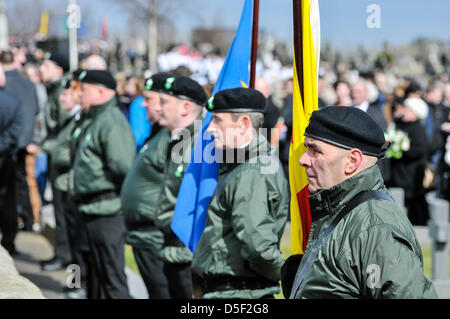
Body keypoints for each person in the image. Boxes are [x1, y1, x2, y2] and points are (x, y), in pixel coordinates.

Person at [285, 106, 437, 299]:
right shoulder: (336, 207)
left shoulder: (376, 228)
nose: (303, 160)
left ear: (352, 160)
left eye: (315, 150)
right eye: (306, 148)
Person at [191, 88, 289, 299]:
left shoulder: (252, 171)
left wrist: (278, 274)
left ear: (244, 123)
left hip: (239, 292)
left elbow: (258, 245)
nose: (210, 129)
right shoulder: (242, 165)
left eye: (217, 120)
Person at [71, 69, 136, 299]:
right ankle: (80, 288)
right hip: (92, 208)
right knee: (97, 275)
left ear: (101, 92)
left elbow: (124, 168)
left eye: (84, 90)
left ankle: (78, 286)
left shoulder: (111, 122)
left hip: (107, 211)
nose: (79, 95)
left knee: (112, 278)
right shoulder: (96, 118)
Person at [121, 73, 173, 299]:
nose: (143, 104)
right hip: (143, 235)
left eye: (149, 99)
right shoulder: (158, 133)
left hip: (155, 236)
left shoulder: (175, 138)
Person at [155, 75, 207, 299]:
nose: (158, 108)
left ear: (186, 107)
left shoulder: (201, 144)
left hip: (187, 251)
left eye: (164, 102)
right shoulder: (179, 139)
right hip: (172, 248)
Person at [39, 52, 74, 271]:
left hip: (62, 160)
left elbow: (63, 132)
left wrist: (45, 146)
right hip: (56, 156)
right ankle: (61, 254)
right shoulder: (53, 89)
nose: (42, 69)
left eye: (47, 65)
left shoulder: (62, 92)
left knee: (63, 211)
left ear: (59, 70)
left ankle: (65, 257)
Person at [0, 50, 40, 232]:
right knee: (24, 182)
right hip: (24, 141)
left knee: (10, 189)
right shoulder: (28, 84)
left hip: (8, 145)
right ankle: (30, 219)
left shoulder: (6, 87)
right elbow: (36, 109)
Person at [388, 98, 430, 226]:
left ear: (415, 113)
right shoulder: (399, 123)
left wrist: (401, 149)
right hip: (397, 171)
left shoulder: (417, 128)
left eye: (408, 109)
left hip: (410, 174)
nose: (404, 111)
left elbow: (419, 149)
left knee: (412, 203)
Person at [0, 64, 25, 256]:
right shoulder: (14, 101)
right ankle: (9, 240)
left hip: (7, 157)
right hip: (7, 156)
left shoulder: (12, 100)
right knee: (8, 201)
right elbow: (17, 129)